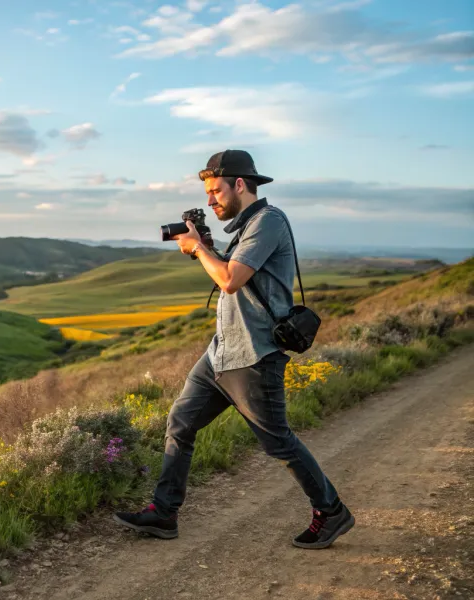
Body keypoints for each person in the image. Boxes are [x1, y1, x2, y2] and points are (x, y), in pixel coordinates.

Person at [113, 149, 355, 549]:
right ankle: (164, 513)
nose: (211, 200)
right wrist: (204, 247)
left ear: (239, 185)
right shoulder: (246, 228)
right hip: (221, 352)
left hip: (254, 355)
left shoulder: (269, 222)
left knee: (277, 441)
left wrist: (197, 248)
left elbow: (229, 279)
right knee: (181, 422)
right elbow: (229, 271)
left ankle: (331, 512)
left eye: (215, 191)